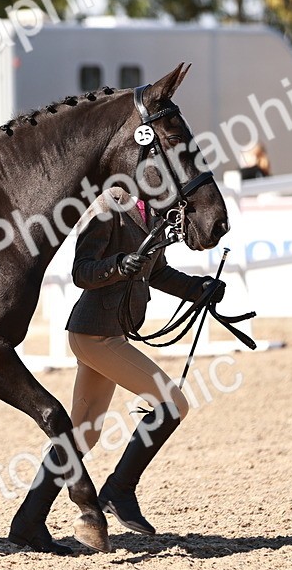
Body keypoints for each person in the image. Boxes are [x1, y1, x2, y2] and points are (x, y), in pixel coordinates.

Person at [66, 186, 224, 535]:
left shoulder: (154, 211)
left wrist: (198, 289)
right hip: (94, 334)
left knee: (82, 436)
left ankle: (30, 517)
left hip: (112, 332)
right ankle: (119, 490)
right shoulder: (107, 206)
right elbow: (82, 271)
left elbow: (156, 273)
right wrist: (119, 266)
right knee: (173, 403)